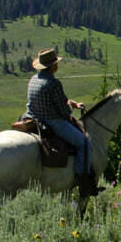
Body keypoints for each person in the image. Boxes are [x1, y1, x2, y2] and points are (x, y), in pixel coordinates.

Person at [25, 48, 100, 197]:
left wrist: (70, 103)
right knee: (85, 144)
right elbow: (64, 112)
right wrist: (71, 108)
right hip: (53, 122)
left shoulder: (33, 79)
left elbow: (50, 101)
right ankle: (83, 181)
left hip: (32, 118)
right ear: (52, 66)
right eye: (56, 63)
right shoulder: (53, 83)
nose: (57, 65)